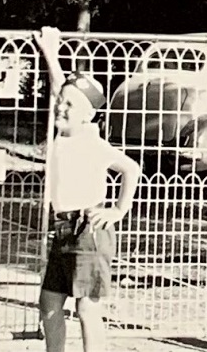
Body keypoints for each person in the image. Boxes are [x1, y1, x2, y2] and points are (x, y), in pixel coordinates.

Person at [33, 26, 142, 352]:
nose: (60, 108)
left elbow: (131, 169)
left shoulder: (92, 142)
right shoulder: (62, 136)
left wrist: (118, 210)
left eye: (70, 106)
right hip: (63, 230)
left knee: (86, 308)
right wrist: (50, 51)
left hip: (88, 232)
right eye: (60, 103)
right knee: (50, 303)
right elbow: (58, 90)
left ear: (89, 115)